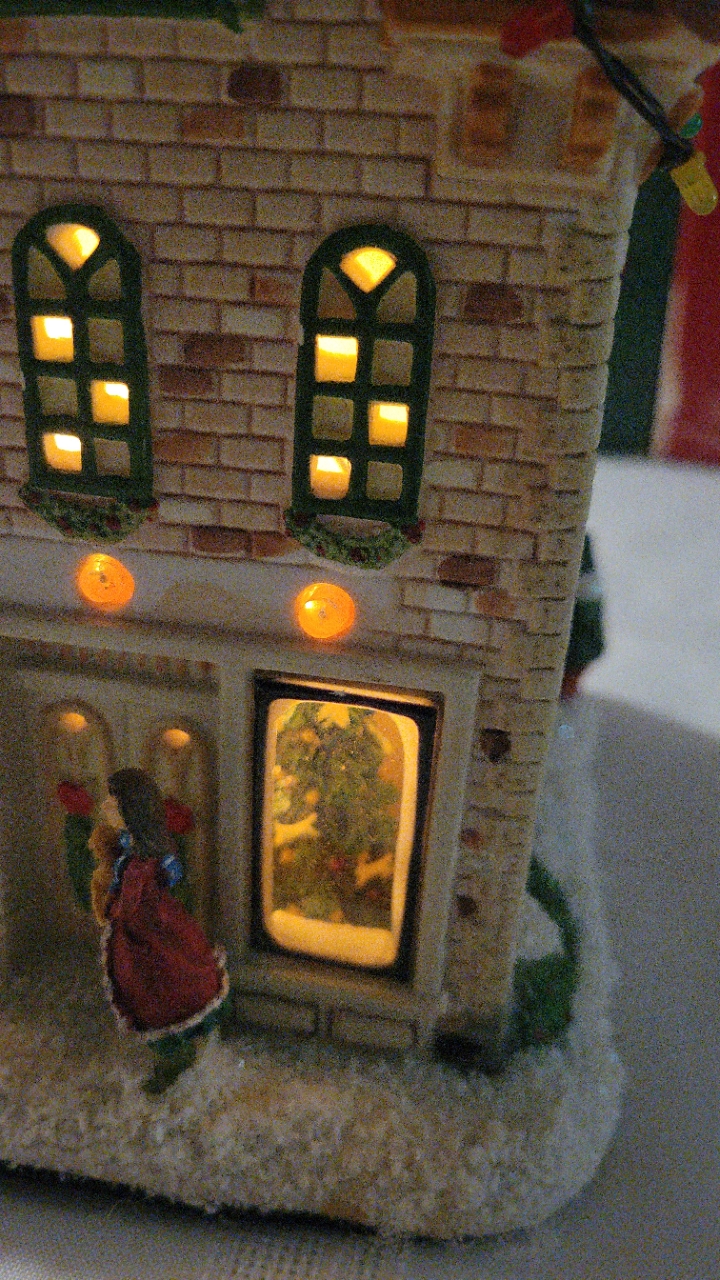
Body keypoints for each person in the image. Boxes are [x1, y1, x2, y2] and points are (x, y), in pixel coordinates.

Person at [88, 767, 229, 1094]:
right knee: (157, 984)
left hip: (149, 934)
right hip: (143, 930)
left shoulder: (144, 862)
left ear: (131, 809)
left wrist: (114, 905)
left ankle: (176, 1055)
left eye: (113, 802)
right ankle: (181, 1042)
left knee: (160, 989)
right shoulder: (129, 846)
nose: (105, 806)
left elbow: (135, 899)